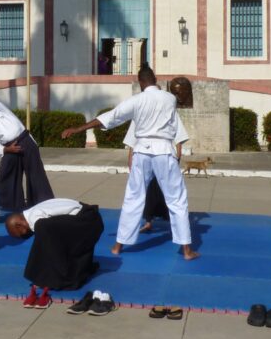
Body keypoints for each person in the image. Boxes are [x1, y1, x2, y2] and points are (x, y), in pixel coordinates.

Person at [62, 65, 198, 261]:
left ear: (141, 82)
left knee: (133, 198)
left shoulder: (137, 101)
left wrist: (78, 129)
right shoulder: (169, 99)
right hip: (163, 152)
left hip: (142, 151)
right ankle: (186, 250)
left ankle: (118, 246)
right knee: (176, 199)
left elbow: (109, 117)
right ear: (155, 79)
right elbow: (182, 97)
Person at [6, 198, 104, 300]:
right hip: (89, 218)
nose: (24, 235)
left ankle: (66, 277)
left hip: (87, 221)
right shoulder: (33, 211)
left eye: (21, 234)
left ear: (19, 225)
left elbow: (48, 249)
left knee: (44, 229)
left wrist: (43, 277)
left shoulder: (35, 218)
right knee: (48, 232)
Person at [123, 118, 188, 233]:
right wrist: (130, 159)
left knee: (168, 193)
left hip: (163, 157)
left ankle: (175, 224)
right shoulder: (139, 113)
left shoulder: (169, 111)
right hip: (144, 158)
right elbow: (132, 141)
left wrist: (177, 156)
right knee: (145, 192)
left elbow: (179, 137)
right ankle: (148, 221)